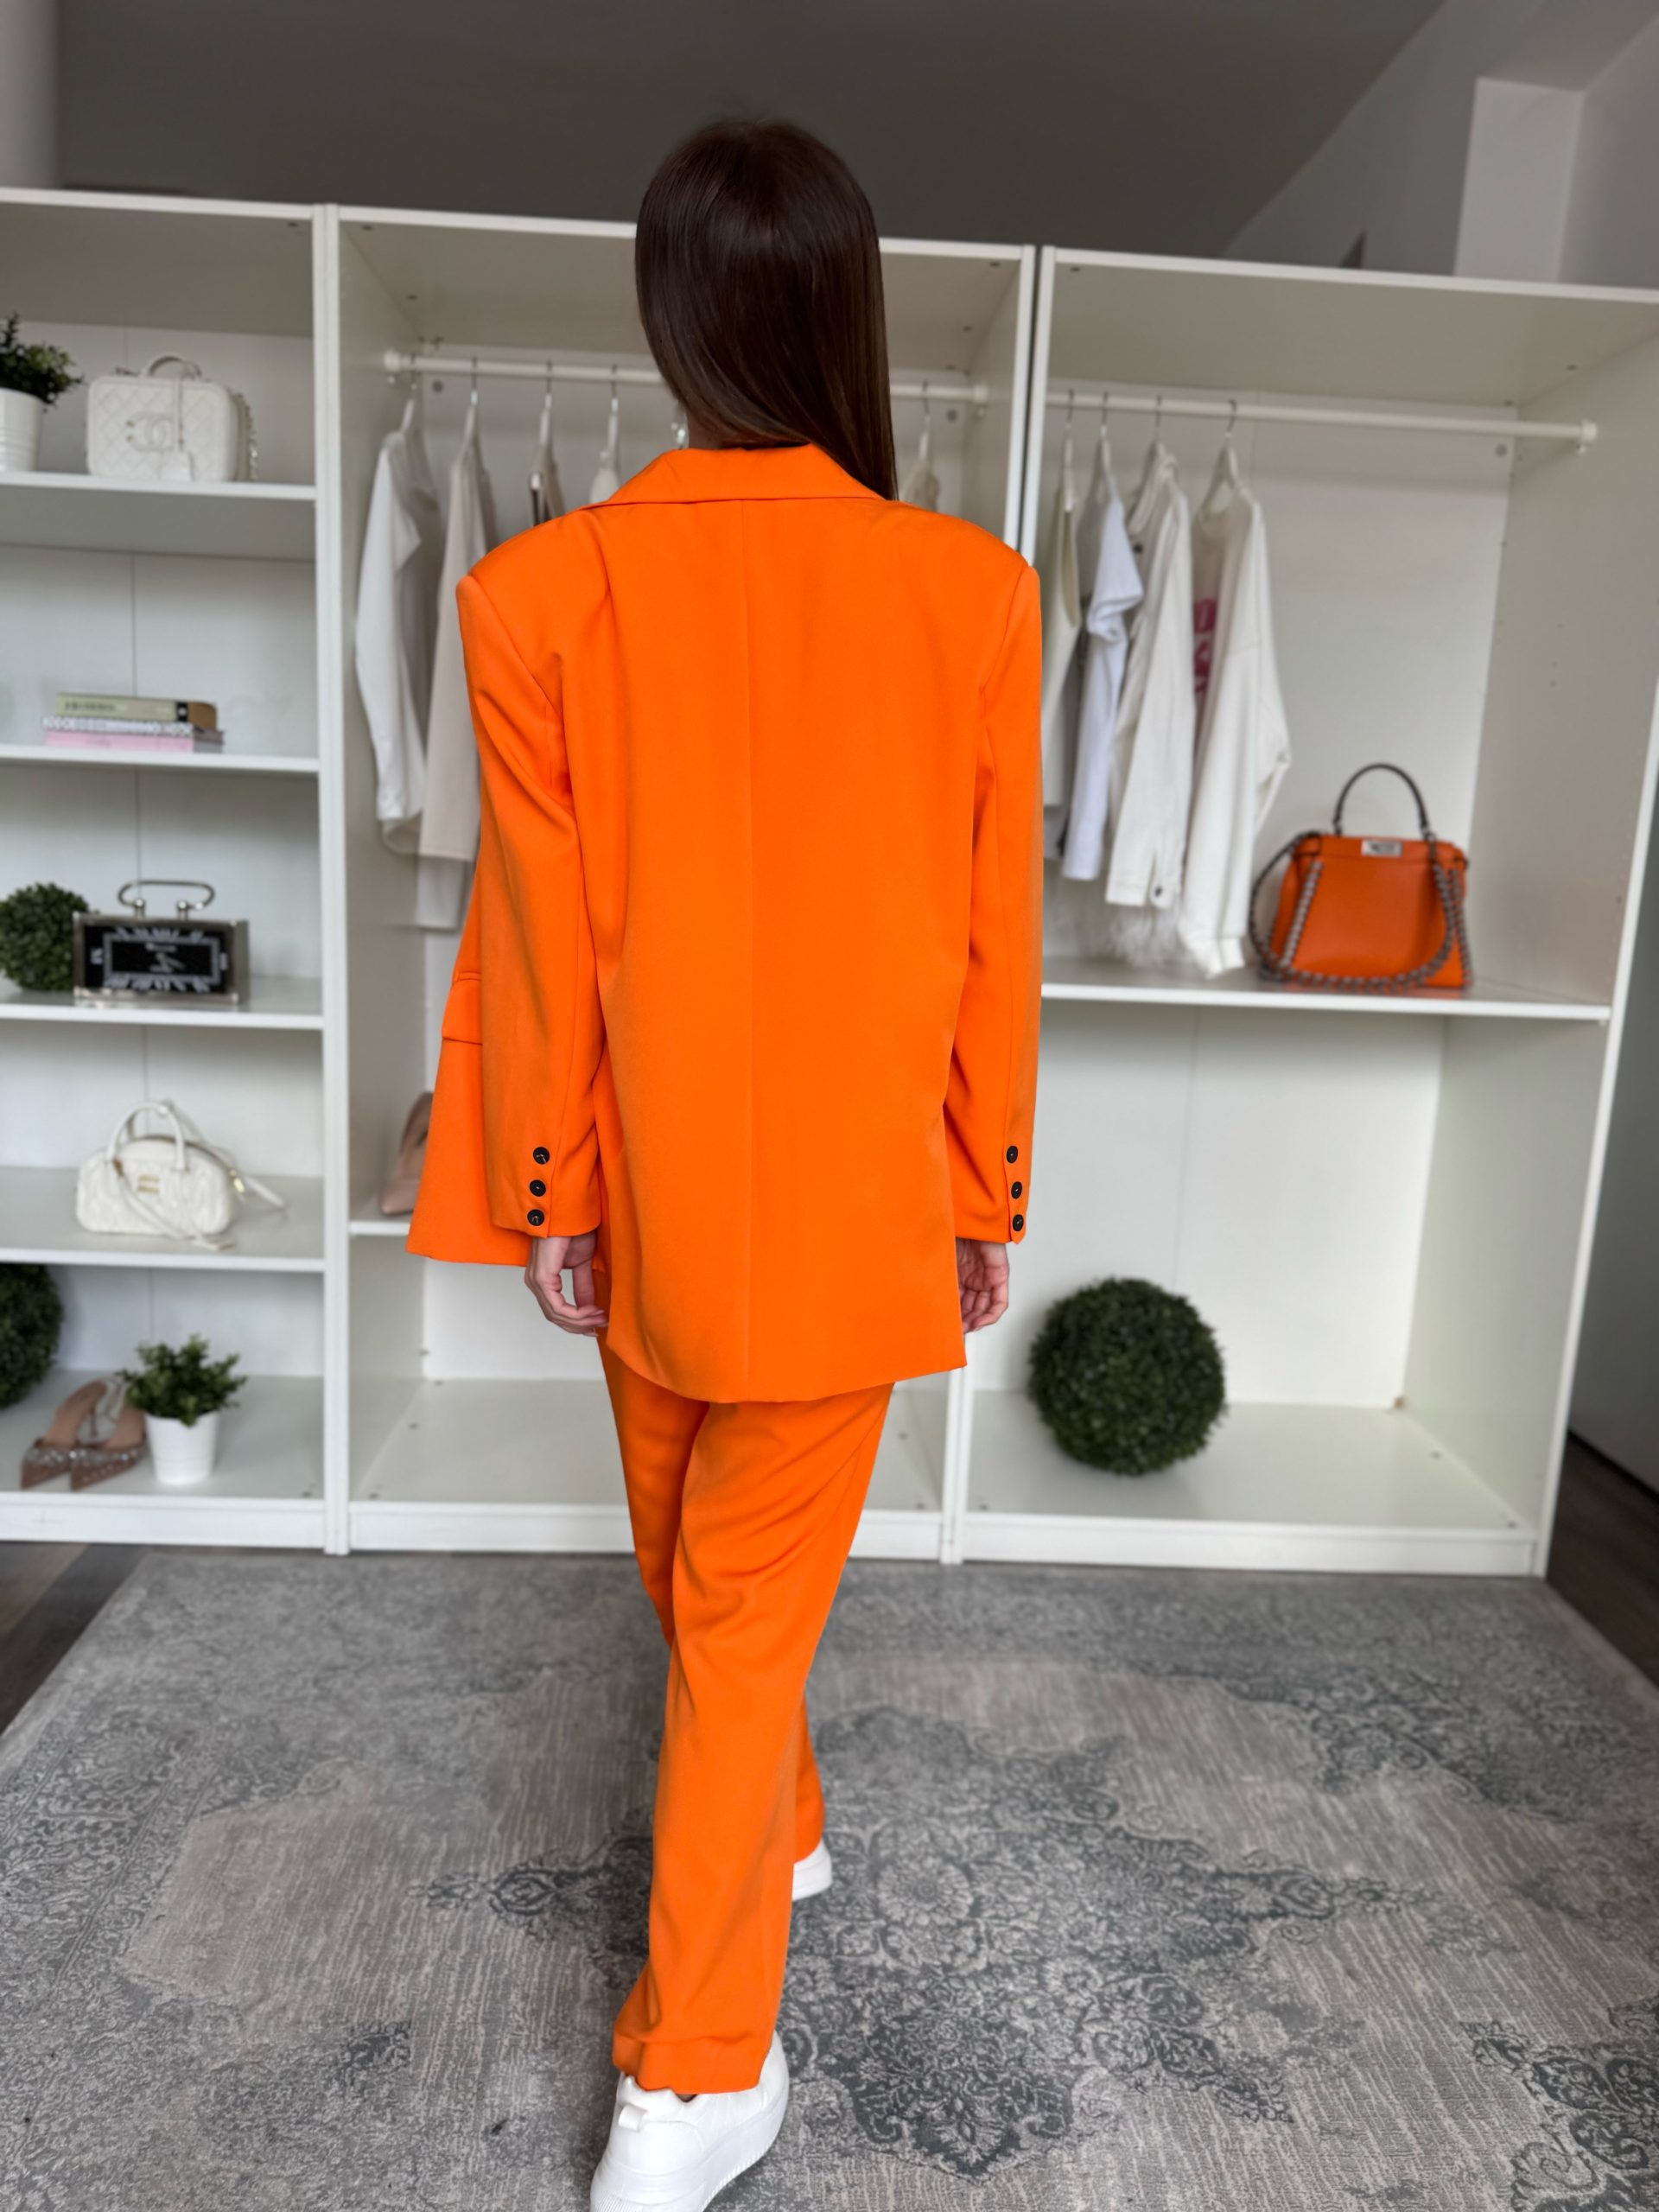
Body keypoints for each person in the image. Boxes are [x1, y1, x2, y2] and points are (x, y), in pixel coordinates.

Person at [408, 116, 1041, 2212]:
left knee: (718, 1601)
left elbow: (540, 933)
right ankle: (736, 1958)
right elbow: (991, 939)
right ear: (845, 311)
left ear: (667, 316)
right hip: (852, 1208)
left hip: (657, 1203)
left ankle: (693, 2060)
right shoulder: (970, 593)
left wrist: (557, 1182)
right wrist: (980, 1187)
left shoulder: (536, 591)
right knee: (724, 1603)